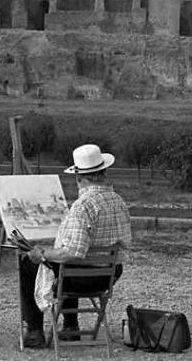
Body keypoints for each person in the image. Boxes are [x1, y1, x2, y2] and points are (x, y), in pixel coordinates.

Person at [18, 144, 132, 349]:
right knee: (63, 265)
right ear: (103, 172)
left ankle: (34, 331)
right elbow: (126, 244)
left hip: (78, 279)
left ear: (79, 177)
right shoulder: (119, 201)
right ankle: (70, 327)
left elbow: (73, 252)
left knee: (30, 261)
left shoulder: (83, 206)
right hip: (108, 276)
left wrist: (43, 252)